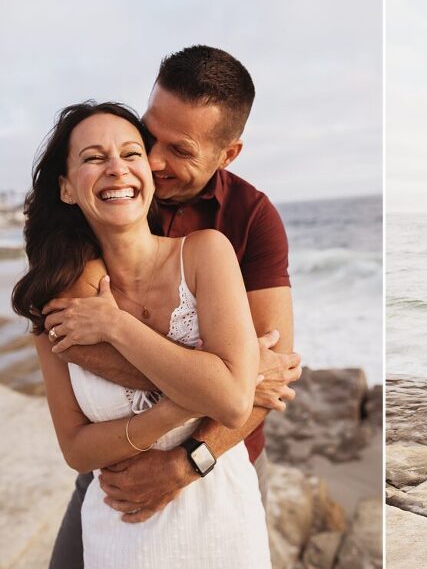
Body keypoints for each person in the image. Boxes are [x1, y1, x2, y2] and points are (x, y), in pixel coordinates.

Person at [38, 46, 300, 568]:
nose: (151, 160)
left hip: (221, 454)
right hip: (114, 465)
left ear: (228, 155)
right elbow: (75, 346)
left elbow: (275, 372)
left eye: (178, 149)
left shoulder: (249, 217)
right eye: (148, 133)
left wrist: (188, 461)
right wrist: (225, 378)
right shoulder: (102, 199)